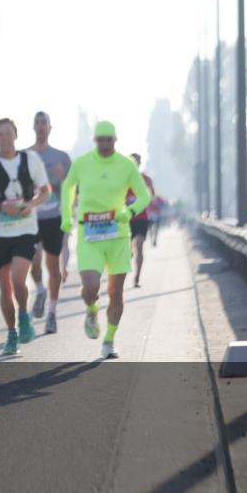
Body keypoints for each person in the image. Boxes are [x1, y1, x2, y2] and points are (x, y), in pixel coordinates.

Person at [60, 121, 150, 359]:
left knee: (116, 292)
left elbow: (144, 196)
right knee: (90, 287)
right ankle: (91, 309)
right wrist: (67, 216)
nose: (104, 144)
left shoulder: (126, 165)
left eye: (108, 139)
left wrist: (129, 212)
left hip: (118, 235)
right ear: (95, 141)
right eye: (100, 140)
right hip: (89, 235)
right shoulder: (82, 164)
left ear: (115, 140)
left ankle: (109, 340)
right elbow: (67, 186)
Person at [0, 118, 51, 355]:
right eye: (0, 134)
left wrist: (31, 204)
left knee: (18, 279)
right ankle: (11, 333)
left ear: (16, 135)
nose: (4, 138)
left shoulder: (31, 160)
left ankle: (24, 314)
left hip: (25, 230)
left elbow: (46, 191)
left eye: (8, 133)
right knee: (5, 288)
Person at [28, 111, 72, 334]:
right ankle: (39, 289)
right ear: (33, 127)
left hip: (55, 217)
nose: (41, 126)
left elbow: (75, 190)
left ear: (50, 127)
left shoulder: (61, 157)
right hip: (31, 218)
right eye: (37, 122)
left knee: (53, 267)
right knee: (33, 261)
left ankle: (52, 313)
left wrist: (63, 178)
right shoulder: (24, 155)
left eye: (44, 122)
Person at [127, 153, 156, 288]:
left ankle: (137, 277)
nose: (135, 164)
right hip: (125, 219)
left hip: (141, 218)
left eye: (137, 162)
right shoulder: (123, 178)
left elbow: (152, 196)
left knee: (139, 245)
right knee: (127, 250)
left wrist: (145, 194)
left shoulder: (145, 178)